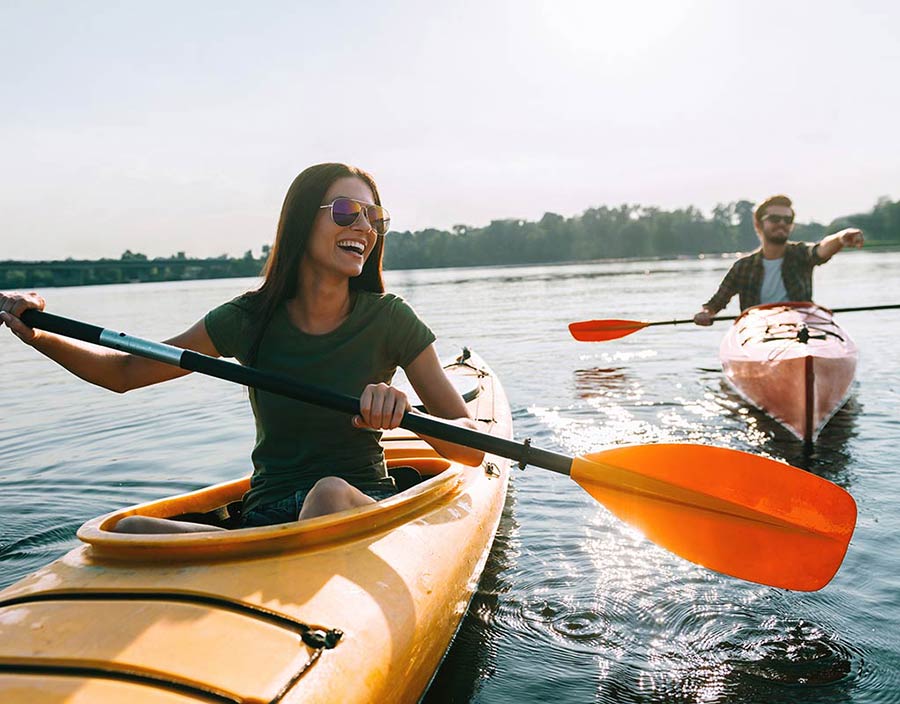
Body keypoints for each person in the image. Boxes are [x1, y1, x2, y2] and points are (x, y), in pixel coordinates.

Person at [0, 163, 484, 533]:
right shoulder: (247, 319)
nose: (363, 227)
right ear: (301, 222)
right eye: (345, 211)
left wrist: (406, 415)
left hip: (355, 506)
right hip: (264, 517)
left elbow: (469, 449)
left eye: (374, 217)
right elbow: (123, 373)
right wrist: (38, 333)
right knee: (126, 529)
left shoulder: (390, 319)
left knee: (329, 494)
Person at [693, 194, 864, 325]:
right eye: (774, 219)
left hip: (800, 327)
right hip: (758, 331)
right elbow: (715, 303)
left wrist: (841, 238)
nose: (782, 223)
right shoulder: (743, 267)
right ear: (758, 225)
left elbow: (821, 250)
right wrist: (706, 313)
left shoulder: (801, 254)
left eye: (787, 220)